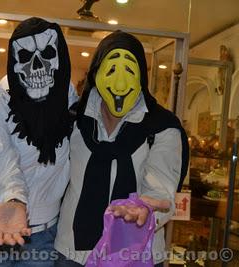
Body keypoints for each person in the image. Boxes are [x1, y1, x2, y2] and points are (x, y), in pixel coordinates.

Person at [54, 31, 189, 267]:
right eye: (111, 70)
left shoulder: (162, 127)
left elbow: (162, 189)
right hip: (72, 253)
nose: (119, 83)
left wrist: (143, 209)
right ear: (96, 73)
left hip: (135, 253)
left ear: (141, 77)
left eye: (129, 70)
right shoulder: (74, 118)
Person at [0, 17, 78, 267]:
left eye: (47, 54)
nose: (38, 67)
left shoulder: (67, 97)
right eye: (25, 57)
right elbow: (4, 165)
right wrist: (14, 201)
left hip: (44, 235)